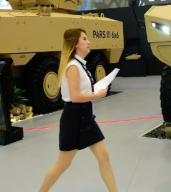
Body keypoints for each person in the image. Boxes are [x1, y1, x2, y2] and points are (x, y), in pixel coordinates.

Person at [38, 28, 118, 192]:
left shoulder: (80, 65)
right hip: (74, 119)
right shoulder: (73, 67)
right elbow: (75, 97)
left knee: (104, 156)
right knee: (63, 164)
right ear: (76, 44)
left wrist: (95, 91)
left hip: (86, 117)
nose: (88, 42)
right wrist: (98, 95)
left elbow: (80, 91)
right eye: (84, 39)